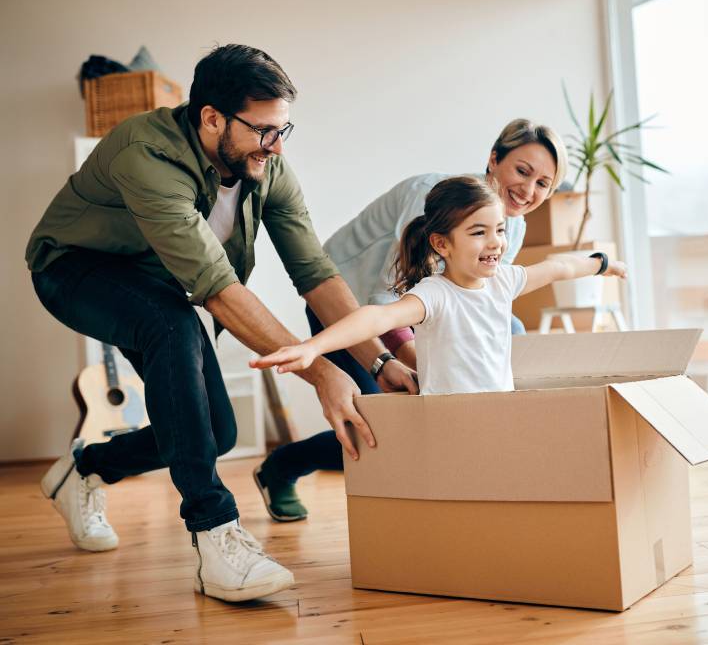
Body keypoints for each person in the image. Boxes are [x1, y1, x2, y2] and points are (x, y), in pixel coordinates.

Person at [25, 44, 416, 603]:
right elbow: (216, 290)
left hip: (154, 282)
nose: (276, 146)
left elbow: (316, 273)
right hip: (72, 267)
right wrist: (321, 372)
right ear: (211, 118)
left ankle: (85, 469)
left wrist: (379, 359)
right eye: (264, 130)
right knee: (171, 323)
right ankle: (216, 537)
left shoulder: (266, 165)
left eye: (284, 130)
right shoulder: (146, 153)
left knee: (217, 433)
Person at [252, 119, 569, 520]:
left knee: (513, 334)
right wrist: (412, 357)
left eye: (544, 183)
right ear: (494, 159)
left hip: (411, 312)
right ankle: (281, 467)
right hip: (347, 304)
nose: (528, 191)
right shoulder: (430, 197)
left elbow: (483, 299)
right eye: (522, 171)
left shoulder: (513, 224)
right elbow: (391, 293)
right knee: (378, 426)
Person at [252, 177, 627, 396]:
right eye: (478, 233)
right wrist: (312, 347)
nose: (495, 241)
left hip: (498, 415)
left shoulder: (503, 281)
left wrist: (601, 265)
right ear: (441, 244)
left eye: (499, 230)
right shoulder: (435, 295)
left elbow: (557, 267)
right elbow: (374, 319)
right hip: (449, 421)